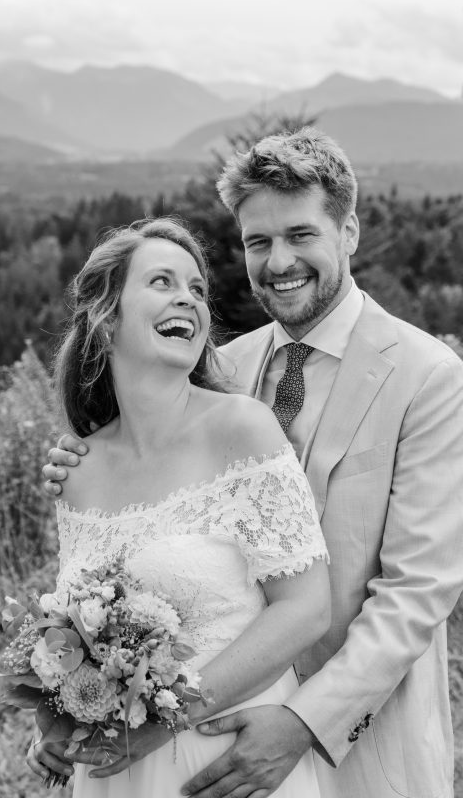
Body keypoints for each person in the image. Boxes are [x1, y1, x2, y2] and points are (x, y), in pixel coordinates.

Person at [44, 128, 463, 798]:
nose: (278, 261)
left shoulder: (429, 378)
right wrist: (80, 459)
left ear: (349, 232)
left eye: (300, 235)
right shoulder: (220, 366)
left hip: (356, 735)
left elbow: (415, 593)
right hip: (198, 732)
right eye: (258, 242)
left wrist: (302, 722)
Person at [27, 216, 331, 798]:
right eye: (162, 282)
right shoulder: (78, 471)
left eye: (197, 289)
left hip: (225, 760)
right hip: (115, 772)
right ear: (107, 316)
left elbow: (305, 608)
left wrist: (168, 716)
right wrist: (58, 720)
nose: (188, 300)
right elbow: (79, 630)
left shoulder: (241, 428)